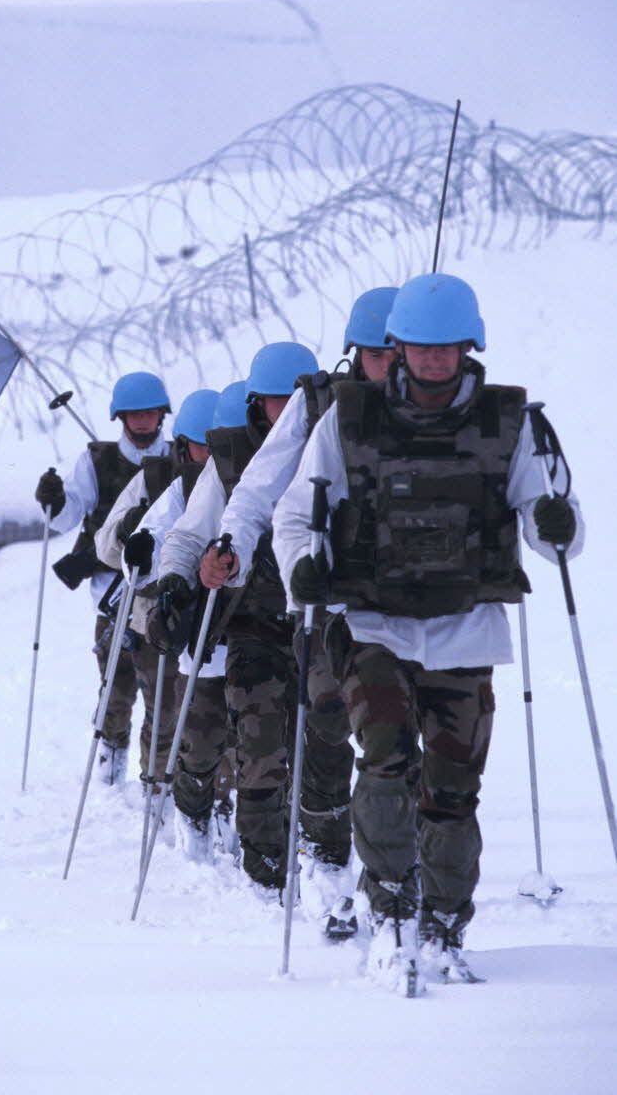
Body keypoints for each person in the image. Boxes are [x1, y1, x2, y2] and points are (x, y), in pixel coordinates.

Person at [272, 273, 584, 993]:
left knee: (453, 792)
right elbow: (296, 514)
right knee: (385, 761)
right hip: (373, 626)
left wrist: (557, 528)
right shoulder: (348, 421)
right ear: (398, 347)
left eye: (449, 346)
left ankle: (443, 923)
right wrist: (304, 569)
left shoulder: (507, 427)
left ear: (470, 345)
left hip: (466, 631)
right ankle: (388, 912)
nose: (436, 359)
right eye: (421, 346)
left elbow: (546, 519)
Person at [213, 286, 399, 938]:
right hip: (326, 604)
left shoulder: (439, 410)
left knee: (399, 749)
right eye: (382, 352)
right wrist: (229, 546)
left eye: (403, 351)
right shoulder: (317, 406)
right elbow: (256, 493)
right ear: (358, 353)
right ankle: (324, 853)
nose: (395, 363)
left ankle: (395, 886)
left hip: (411, 606)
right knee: (324, 723)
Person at [155, 342, 319, 895]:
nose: (285, 412)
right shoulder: (228, 462)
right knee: (260, 745)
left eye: (293, 399)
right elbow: (187, 530)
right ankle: (264, 864)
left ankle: (322, 854)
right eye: (275, 401)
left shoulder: (333, 439)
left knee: (317, 748)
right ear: (256, 404)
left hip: (323, 622)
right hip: (251, 625)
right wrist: (177, 579)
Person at [125, 382, 248, 861]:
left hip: (256, 633)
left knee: (254, 741)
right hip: (203, 640)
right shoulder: (183, 490)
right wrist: (143, 552)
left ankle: (236, 813)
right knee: (198, 739)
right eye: (203, 445)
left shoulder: (260, 475)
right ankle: (195, 807)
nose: (210, 454)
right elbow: (161, 535)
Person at [33, 370, 172, 785]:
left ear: (161, 415)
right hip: (109, 595)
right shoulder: (96, 461)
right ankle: (111, 761)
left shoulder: (176, 459)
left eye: (150, 413)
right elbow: (67, 516)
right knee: (115, 688)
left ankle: (156, 776)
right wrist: (54, 499)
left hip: (158, 595)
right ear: (121, 418)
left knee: (162, 694)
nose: (143, 422)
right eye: (135, 415)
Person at [92, 388, 220, 788]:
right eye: (205, 447)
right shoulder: (155, 478)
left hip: (215, 617)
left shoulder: (240, 477)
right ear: (184, 446)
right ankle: (155, 784)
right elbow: (106, 546)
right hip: (155, 615)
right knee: (162, 708)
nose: (214, 457)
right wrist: (131, 528)